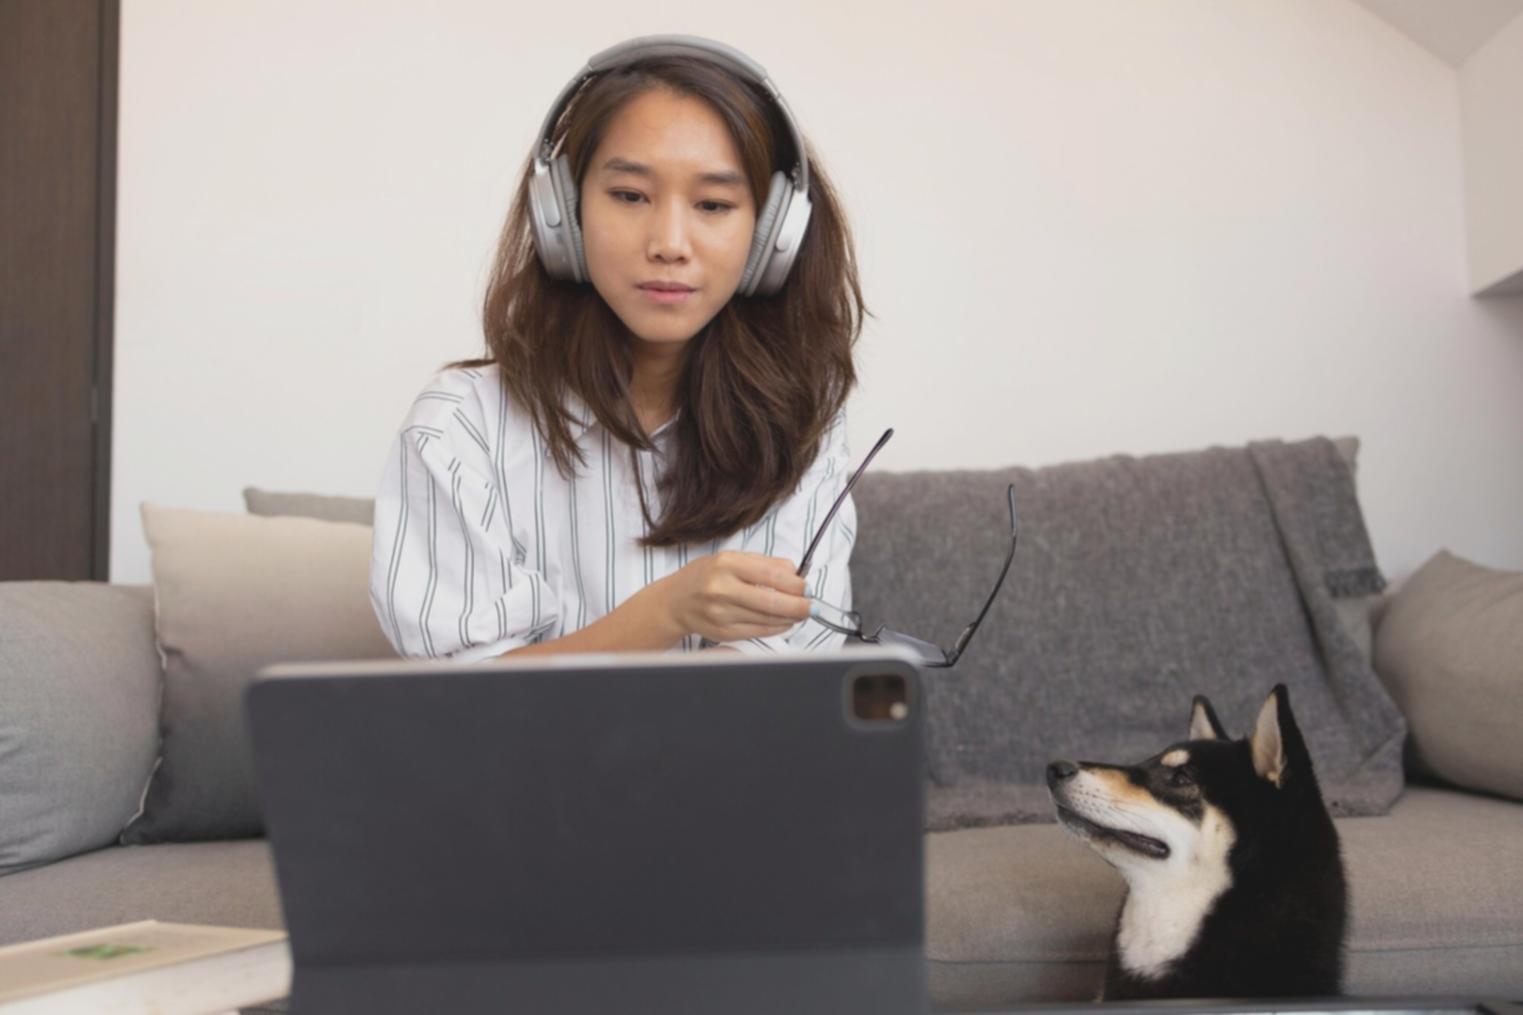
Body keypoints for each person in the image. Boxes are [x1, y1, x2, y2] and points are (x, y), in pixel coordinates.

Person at [369, 35, 868, 661]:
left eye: (714, 204)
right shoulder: (458, 429)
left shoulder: (802, 419)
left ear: (774, 238)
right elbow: (463, 706)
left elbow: (790, 672)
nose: (669, 243)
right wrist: (666, 613)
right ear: (563, 215)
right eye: (630, 196)